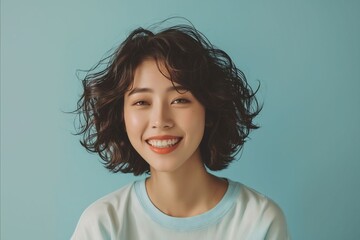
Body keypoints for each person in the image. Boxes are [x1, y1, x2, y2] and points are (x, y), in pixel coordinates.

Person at [71, 21, 290, 239]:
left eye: (179, 100)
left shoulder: (259, 221)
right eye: (141, 102)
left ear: (209, 109)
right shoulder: (102, 224)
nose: (160, 120)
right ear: (122, 116)